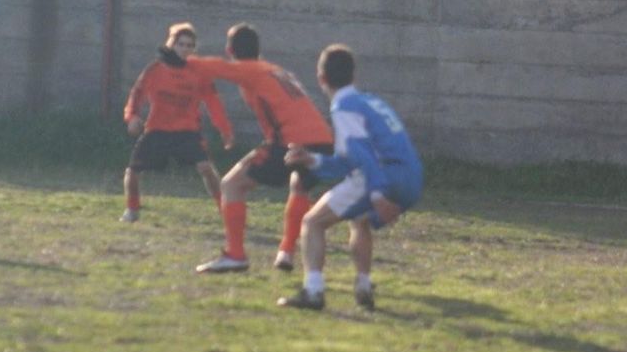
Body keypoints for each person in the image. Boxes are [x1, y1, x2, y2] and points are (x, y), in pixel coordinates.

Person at [279, 43, 423, 310]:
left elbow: (360, 152)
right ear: (354, 76)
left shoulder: (344, 105)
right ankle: (363, 286)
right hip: (411, 176)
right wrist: (314, 160)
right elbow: (351, 159)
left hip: (382, 174)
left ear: (321, 78)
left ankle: (313, 292)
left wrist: (378, 193)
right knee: (359, 219)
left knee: (312, 222)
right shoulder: (371, 101)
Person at [186, 23, 333, 273]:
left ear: (230, 49)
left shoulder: (250, 70)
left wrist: (181, 59)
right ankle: (286, 252)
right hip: (323, 140)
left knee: (231, 185)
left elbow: (216, 67)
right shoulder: (274, 70)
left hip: (291, 141)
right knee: (299, 187)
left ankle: (235, 255)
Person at [121, 22, 234, 222]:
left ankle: (226, 211)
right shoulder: (155, 69)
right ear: (172, 44)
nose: (185, 49)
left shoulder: (200, 72)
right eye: (181, 44)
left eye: (189, 45)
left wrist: (224, 129)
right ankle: (132, 209)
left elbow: (213, 102)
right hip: (157, 130)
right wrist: (132, 117)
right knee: (133, 172)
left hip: (187, 131)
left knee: (206, 169)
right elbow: (136, 95)